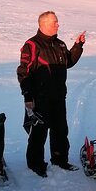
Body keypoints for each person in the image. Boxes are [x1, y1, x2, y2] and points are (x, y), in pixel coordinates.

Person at [16, 11, 86, 177]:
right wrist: (28, 96)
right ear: (43, 24)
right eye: (55, 22)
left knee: (61, 131)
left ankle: (60, 160)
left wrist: (78, 46)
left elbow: (68, 62)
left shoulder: (60, 44)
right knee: (38, 134)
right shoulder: (32, 45)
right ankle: (35, 165)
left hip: (59, 96)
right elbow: (24, 72)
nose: (58, 25)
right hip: (39, 98)